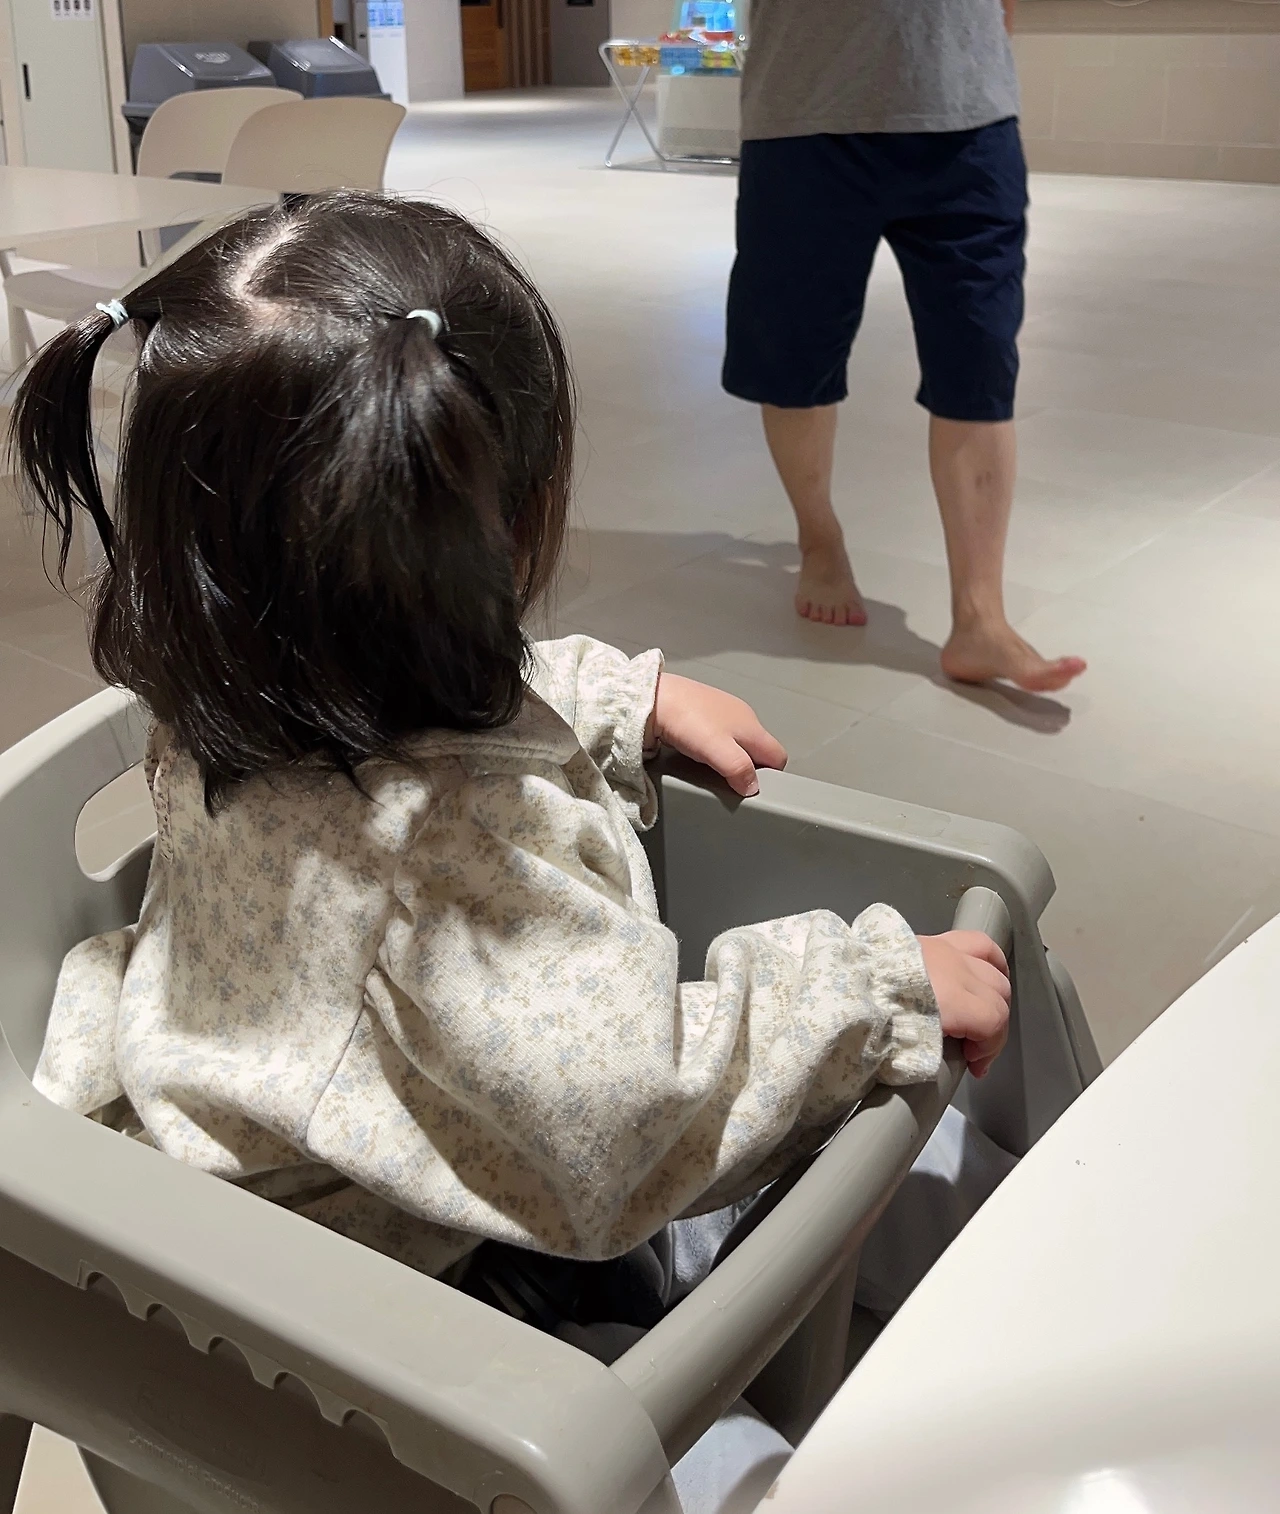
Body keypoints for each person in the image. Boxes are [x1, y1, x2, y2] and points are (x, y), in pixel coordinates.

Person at [13, 191, 1010, 1494]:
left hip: (378, 1161)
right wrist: (868, 991)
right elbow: (619, 1123)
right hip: (412, 1316)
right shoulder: (430, 878)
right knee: (751, 1460)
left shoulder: (235, 675)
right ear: (512, 524)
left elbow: (461, 684)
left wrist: (611, 696)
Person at [723, 0, 1086, 694]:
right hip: (804, 114)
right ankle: (819, 539)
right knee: (795, 360)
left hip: (968, 115)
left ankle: (981, 617)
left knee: (979, 359)